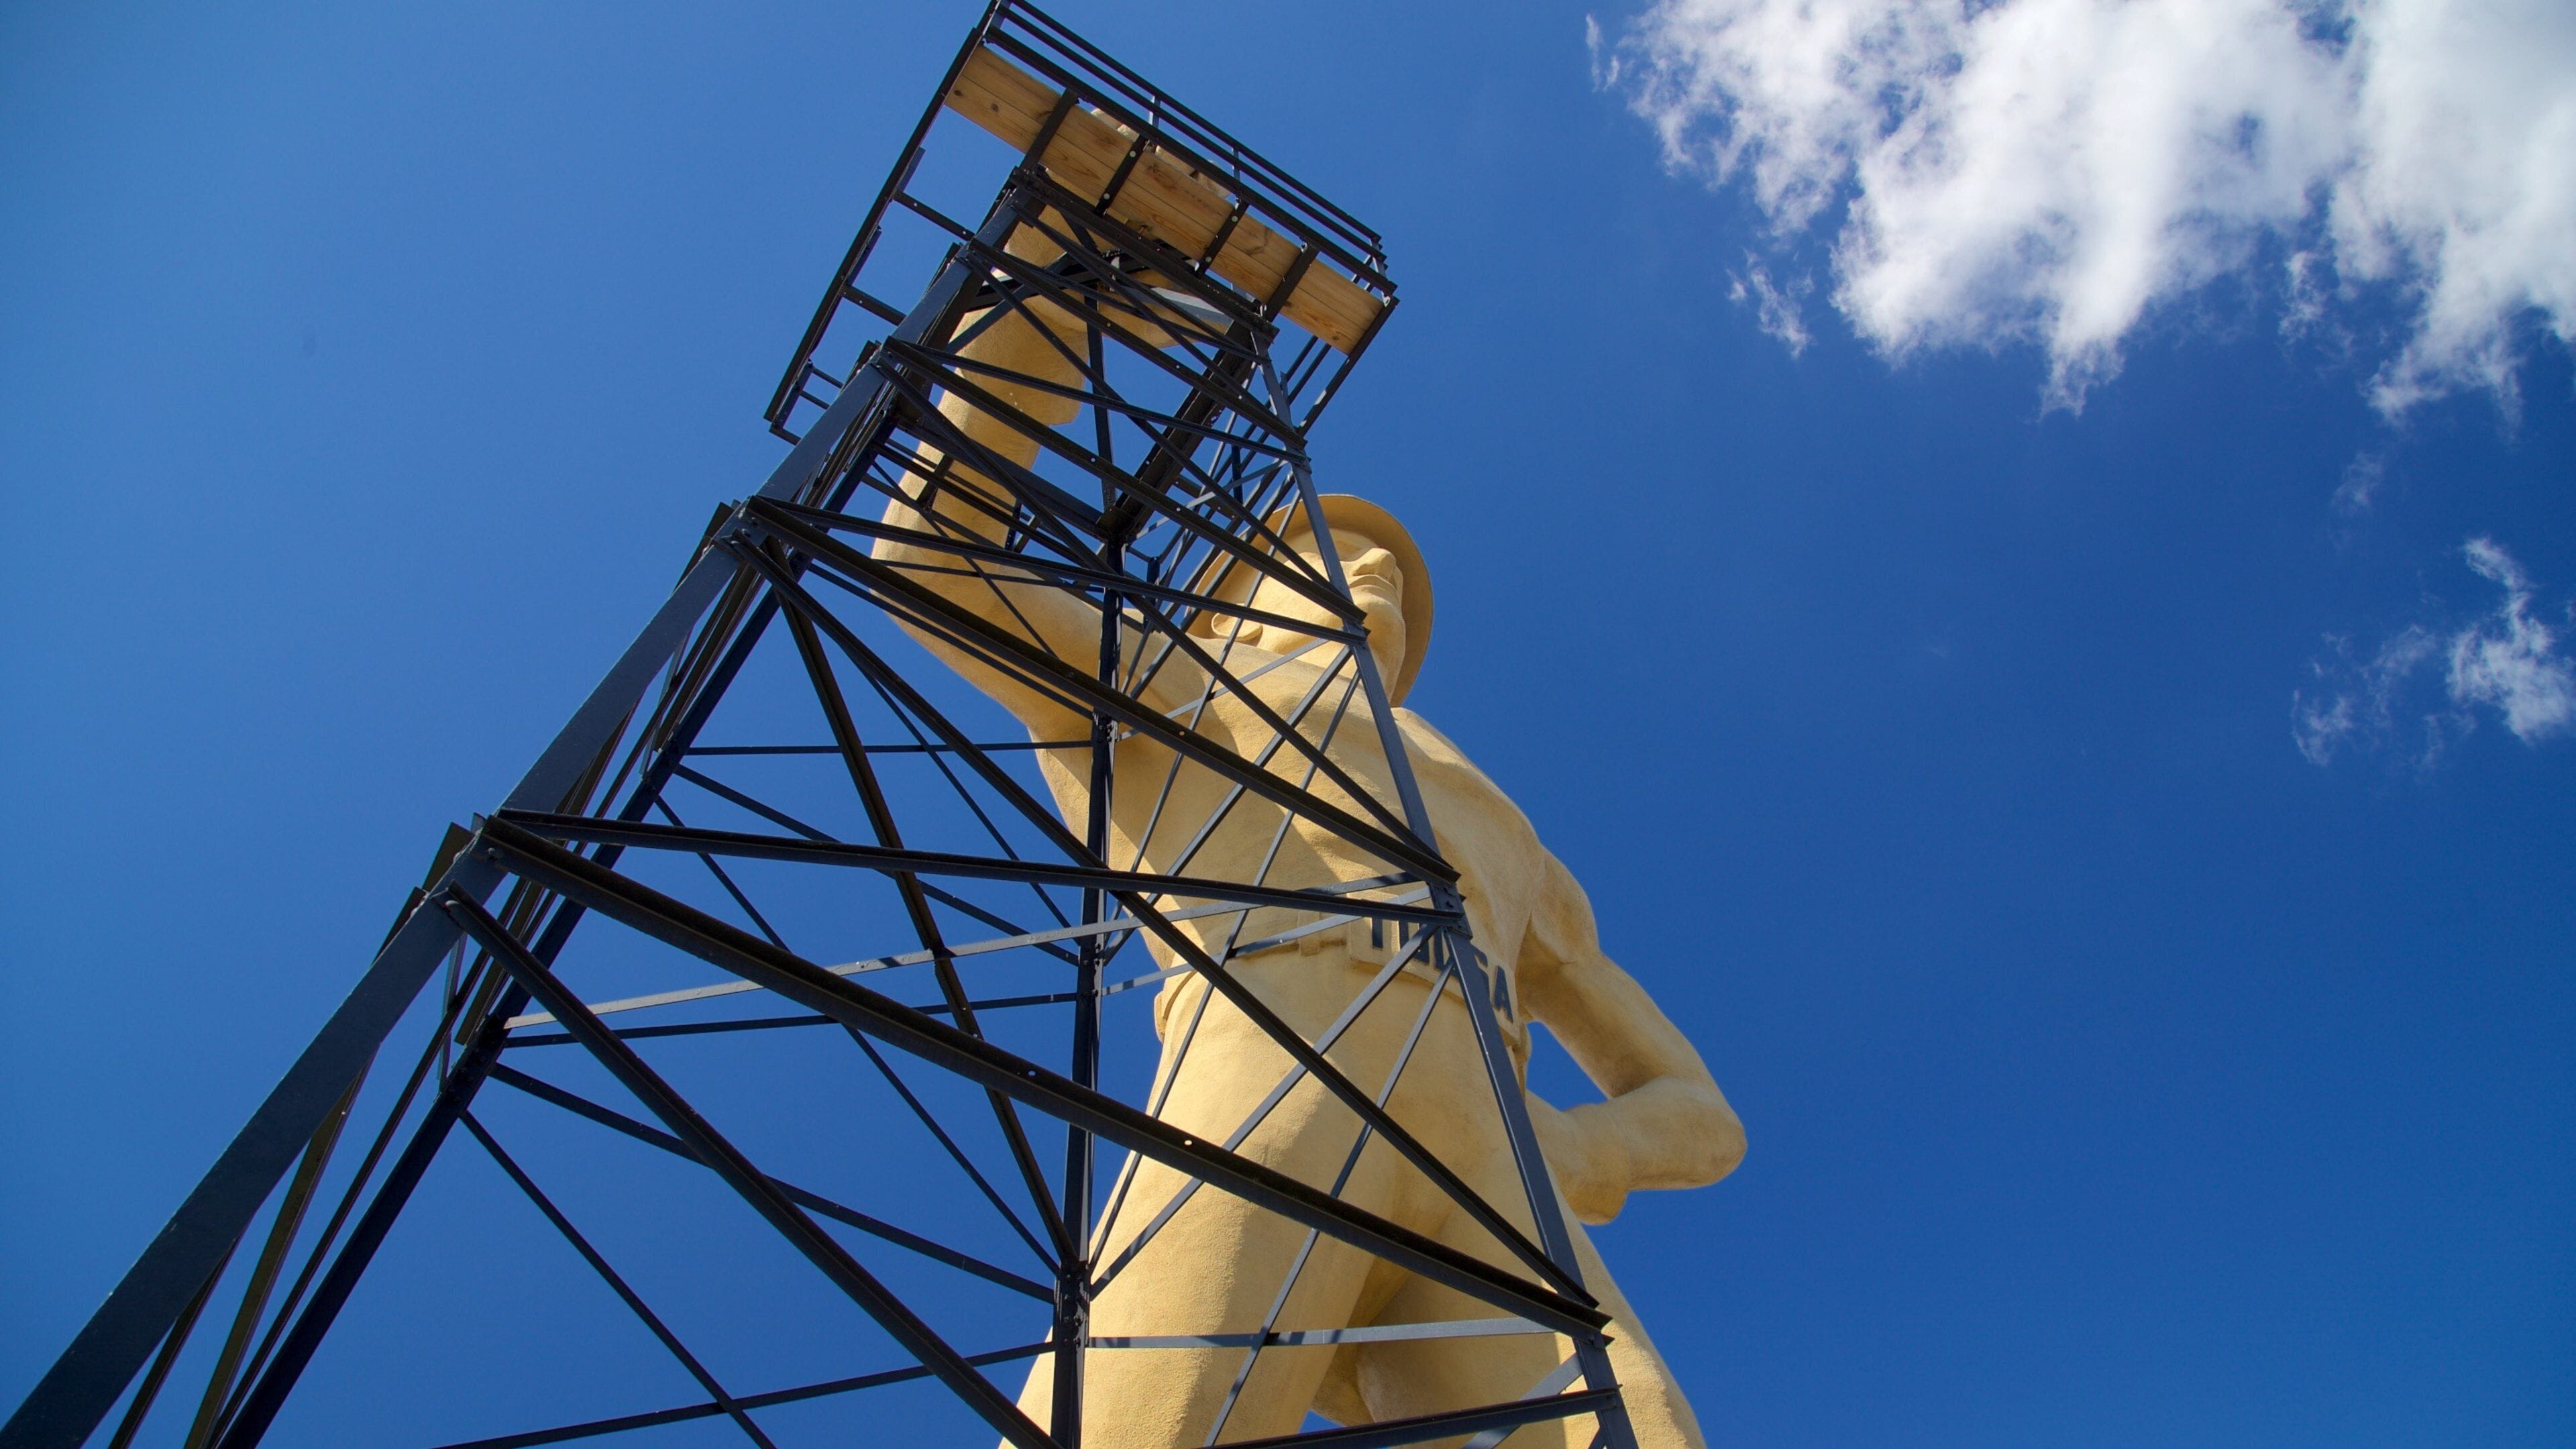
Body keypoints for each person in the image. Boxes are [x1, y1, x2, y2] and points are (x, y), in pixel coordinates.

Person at [872, 272, 1744, 1448]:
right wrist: (1047, 299)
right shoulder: (1173, 687)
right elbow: (932, 555)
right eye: (1329, 553)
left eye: (1390, 572)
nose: (1376, 574)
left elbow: (1698, 1112)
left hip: (1493, 1169)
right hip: (1265, 1093)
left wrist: (1578, 1144)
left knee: (1644, 1437)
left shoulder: (1510, 836)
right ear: (1231, 602)